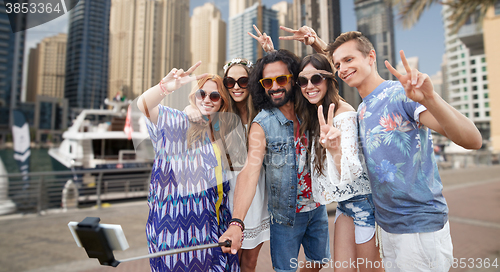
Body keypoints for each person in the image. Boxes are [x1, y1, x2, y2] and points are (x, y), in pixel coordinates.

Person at [322, 31, 482, 271]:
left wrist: (430, 98)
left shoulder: (401, 94)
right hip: (387, 228)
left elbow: (473, 140)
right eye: (337, 64)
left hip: (419, 226)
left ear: (370, 57)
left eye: (349, 60)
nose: (342, 69)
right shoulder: (363, 109)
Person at [219, 49, 331, 272]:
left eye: (281, 79)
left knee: (319, 262)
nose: (275, 86)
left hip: (318, 208)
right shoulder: (262, 124)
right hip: (285, 216)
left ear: (294, 79)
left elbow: (330, 82)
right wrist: (236, 222)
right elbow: (250, 171)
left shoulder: (311, 108)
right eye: (267, 82)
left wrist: (315, 43)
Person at [137, 61, 245, 272]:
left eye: (214, 96)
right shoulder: (178, 122)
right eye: (201, 94)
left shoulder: (222, 136)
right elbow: (144, 106)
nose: (207, 99)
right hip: (175, 233)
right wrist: (166, 88)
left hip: (213, 230)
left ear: (222, 103)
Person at [296, 53, 384, 272]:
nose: (309, 86)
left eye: (316, 79)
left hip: (365, 204)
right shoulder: (319, 113)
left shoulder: (343, 114)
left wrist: (335, 149)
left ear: (328, 80)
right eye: (303, 81)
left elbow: (351, 170)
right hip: (345, 205)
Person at [187, 58, 271, 272]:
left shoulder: (263, 115)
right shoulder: (218, 115)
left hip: (256, 193)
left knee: (249, 263)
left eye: (243, 81)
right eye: (229, 82)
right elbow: (195, 112)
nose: (236, 87)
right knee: (229, 261)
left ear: (251, 83)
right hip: (226, 196)